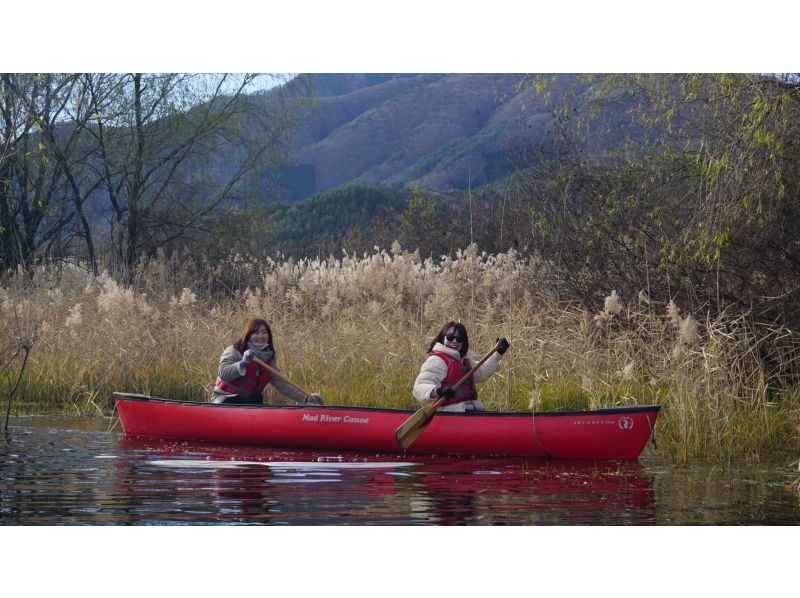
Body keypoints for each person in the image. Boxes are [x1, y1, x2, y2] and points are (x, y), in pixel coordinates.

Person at [212, 318, 324, 406]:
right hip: (225, 399)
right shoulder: (234, 350)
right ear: (248, 335)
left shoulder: (268, 362)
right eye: (255, 333)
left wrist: (307, 397)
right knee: (254, 399)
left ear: (268, 336)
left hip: (249, 404)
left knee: (256, 398)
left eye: (264, 333)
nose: (260, 336)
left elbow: (284, 386)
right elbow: (223, 373)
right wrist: (243, 363)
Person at [413, 321, 510, 412]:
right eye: (450, 337)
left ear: (463, 342)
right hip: (450, 413)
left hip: (469, 410)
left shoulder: (464, 361)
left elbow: (483, 372)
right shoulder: (437, 360)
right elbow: (419, 388)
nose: (454, 341)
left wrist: (498, 354)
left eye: (459, 339)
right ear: (443, 338)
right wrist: (438, 391)